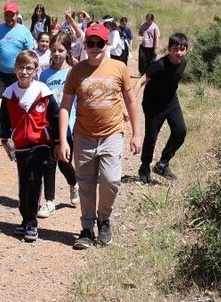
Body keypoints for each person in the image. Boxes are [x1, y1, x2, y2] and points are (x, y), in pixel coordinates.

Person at [57, 23, 142, 249]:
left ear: (107, 44)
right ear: (85, 45)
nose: (95, 48)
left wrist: (136, 133)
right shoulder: (76, 71)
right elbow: (65, 106)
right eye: (90, 43)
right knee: (85, 185)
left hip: (112, 134)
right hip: (83, 136)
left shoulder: (119, 67)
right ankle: (86, 228)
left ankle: (104, 219)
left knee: (111, 180)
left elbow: (131, 101)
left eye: (99, 43)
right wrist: (64, 139)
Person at [0, 51, 60, 242]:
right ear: (15, 69)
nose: (24, 72)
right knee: (24, 181)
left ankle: (32, 223)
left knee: (34, 179)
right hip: (21, 145)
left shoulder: (43, 91)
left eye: (29, 68)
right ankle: (25, 219)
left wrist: (57, 141)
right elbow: (4, 119)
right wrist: (5, 140)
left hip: (42, 142)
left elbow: (55, 117)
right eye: (21, 68)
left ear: (35, 70)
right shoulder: (9, 93)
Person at [134, 33, 189, 184]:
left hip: (171, 101)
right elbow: (140, 81)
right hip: (153, 104)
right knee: (151, 138)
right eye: (175, 49)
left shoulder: (183, 63)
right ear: (169, 49)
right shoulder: (159, 65)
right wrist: (131, 101)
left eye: (182, 49)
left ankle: (162, 164)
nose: (179, 52)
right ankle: (144, 167)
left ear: (186, 50)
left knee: (180, 131)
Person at [38, 30, 79, 212]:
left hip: (69, 126)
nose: (56, 54)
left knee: (63, 162)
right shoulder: (44, 75)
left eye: (61, 50)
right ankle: (49, 201)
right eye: (54, 50)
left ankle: (73, 182)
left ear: (68, 51)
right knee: (48, 162)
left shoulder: (74, 73)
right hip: (48, 125)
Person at [0, 1, 35, 99]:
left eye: (12, 15)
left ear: (17, 14)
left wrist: (29, 71)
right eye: (7, 15)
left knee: (16, 100)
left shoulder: (24, 31)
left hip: (17, 74)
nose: (9, 18)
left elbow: (30, 54)